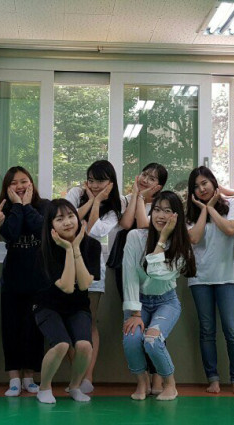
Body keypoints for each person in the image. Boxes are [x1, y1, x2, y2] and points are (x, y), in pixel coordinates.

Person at [122, 191, 196, 402]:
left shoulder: (182, 248)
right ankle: (142, 382)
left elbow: (155, 271)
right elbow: (129, 275)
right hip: (139, 302)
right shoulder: (135, 237)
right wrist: (135, 313)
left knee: (152, 341)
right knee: (131, 339)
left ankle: (170, 384)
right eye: (156, 210)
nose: (160, 215)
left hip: (166, 302)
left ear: (176, 216)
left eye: (167, 211)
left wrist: (163, 238)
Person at [186, 166, 234, 394]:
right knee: (207, 330)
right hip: (200, 278)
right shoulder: (190, 213)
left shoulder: (233, 204)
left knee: (232, 329)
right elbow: (194, 238)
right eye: (196, 186)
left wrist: (211, 208)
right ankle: (213, 378)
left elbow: (231, 230)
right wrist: (204, 210)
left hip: (228, 276)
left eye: (204, 183)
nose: (201, 189)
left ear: (213, 182)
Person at [33, 200, 100, 404]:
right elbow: (68, 286)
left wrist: (75, 247)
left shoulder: (92, 246)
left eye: (71, 216)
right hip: (47, 306)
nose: (68, 222)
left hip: (77, 307)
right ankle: (44, 388)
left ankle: (74, 387)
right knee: (62, 344)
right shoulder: (44, 250)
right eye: (59, 219)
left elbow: (85, 283)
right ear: (51, 226)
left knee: (84, 346)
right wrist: (69, 250)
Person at [64, 160, 122, 393]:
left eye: (100, 181)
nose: (95, 185)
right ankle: (76, 376)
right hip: (66, 265)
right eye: (91, 180)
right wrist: (91, 201)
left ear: (111, 183)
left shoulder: (115, 209)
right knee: (67, 320)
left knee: (90, 321)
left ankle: (88, 377)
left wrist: (97, 202)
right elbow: (66, 221)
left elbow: (93, 230)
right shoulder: (75, 194)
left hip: (92, 266)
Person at [113, 163, 167, 394]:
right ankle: (141, 378)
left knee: (155, 324)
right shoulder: (127, 199)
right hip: (125, 265)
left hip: (152, 267)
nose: (145, 179)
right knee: (133, 322)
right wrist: (136, 195)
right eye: (144, 174)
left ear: (159, 186)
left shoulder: (161, 206)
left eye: (152, 178)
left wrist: (143, 199)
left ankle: (158, 377)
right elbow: (127, 224)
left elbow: (144, 225)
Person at [0, 166, 49, 397]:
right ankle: (14, 379)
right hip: (12, 279)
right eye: (13, 183)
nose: (19, 186)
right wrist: (17, 206)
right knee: (11, 328)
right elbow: (11, 233)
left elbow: (42, 230)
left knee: (34, 329)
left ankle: (29, 377)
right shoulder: (4, 208)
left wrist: (27, 206)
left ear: (31, 183)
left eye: (24, 181)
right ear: (7, 188)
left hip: (39, 279)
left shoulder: (44, 206)